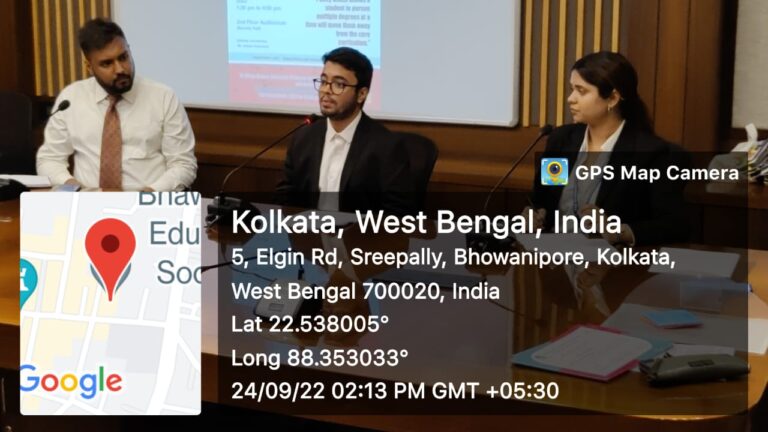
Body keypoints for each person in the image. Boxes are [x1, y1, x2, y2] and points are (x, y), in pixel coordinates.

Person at [527, 51, 688, 246]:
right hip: (552, 256)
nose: (570, 98)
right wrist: (534, 217)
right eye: (572, 89)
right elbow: (541, 201)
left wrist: (618, 232)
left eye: (581, 91)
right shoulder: (561, 141)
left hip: (611, 261)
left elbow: (673, 226)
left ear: (612, 98)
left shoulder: (653, 154)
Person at [37, 18, 197, 191]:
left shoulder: (163, 97)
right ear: (89, 67)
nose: (120, 69)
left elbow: (183, 164)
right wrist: (74, 189)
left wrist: (149, 195)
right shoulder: (71, 98)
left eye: (123, 57)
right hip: (88, 201)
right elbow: (49, 159)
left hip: (148, 201)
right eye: (107, 63)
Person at [275, 47, 414, 216]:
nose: (326, 90)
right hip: (308, 231)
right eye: (324, 81)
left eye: (338, 84)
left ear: (361, 94)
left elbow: (396, 213)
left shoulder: (387, 147)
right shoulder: (303, 138)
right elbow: (285, 197)